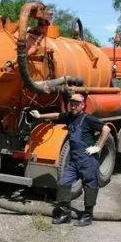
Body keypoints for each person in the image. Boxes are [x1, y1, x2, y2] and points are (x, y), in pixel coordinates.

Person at [30, 94, 110, 226]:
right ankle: (65, 213)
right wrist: (40, 116)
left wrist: (98, 147)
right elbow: (57, 115)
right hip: (74, 160)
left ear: (82, 105)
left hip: (88, 160)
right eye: (71, 103)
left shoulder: (88, 119)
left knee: (90, 187)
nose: (73, 106)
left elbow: (105, 129)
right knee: (63, 183)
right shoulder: (69, 117)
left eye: (76, 104)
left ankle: (87, 216)